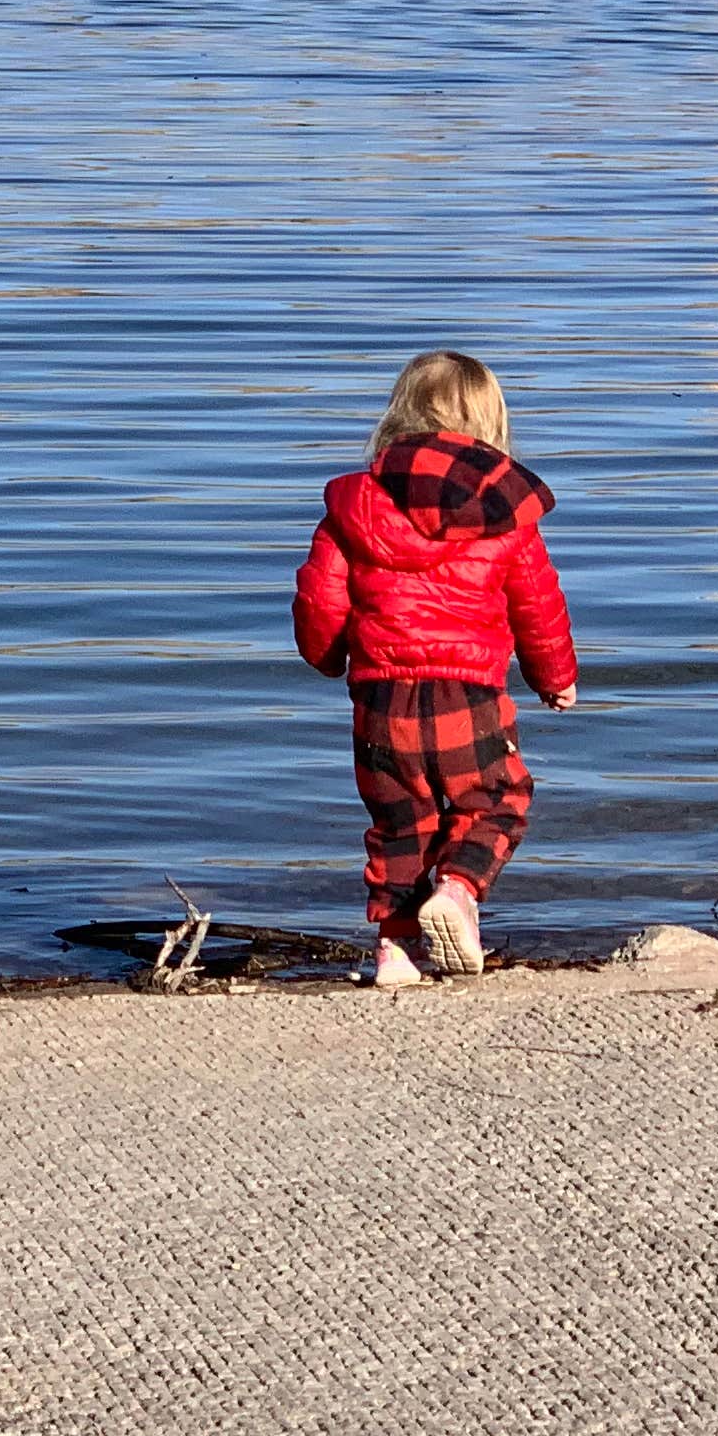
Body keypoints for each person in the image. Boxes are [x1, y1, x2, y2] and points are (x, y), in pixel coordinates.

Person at [290, 349, 579, 986]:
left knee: (400, 825)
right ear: (489, 423)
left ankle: (395, 952)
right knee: (498, 799)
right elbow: (538, 601)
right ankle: (457, 890)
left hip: (380, 701)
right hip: (468, 692)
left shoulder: (355, 505)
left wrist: (326, 657)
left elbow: (320, 597)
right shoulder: (503, 514)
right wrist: (554, 677)